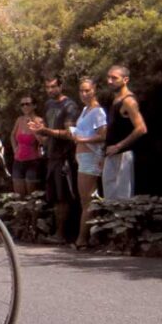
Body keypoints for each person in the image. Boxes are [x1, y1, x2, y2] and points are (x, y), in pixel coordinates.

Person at [28, 76, 79, 244]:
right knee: (54, 196)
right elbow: (47, 130)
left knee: (63, 195)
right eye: (47, 87)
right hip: (50, 155)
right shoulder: (49, 104)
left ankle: (62, 234)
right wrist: (39, 131)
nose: (50, 90)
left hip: (63, 156)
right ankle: (56, 232)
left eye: (53, 87)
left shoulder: (69, 106)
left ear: (61, 86)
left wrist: (46, 131)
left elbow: (70, 133)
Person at [71, 77, 106, 248]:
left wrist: (82, 139)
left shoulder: (98, 112)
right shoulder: (86, 109)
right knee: (86, 200)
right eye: (81, 91)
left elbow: (102, 135)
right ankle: (93, 236)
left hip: (90, 158)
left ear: (95, 90)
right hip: (82, 158)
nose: (84, 94)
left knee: (87, 201)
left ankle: (82, 239)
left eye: (87, 90)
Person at [103, 65, 147, 200]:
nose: (110, 81)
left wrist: (118, 146)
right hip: (111, 155)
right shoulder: (115, 100)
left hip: (124, 156)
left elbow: (141, 128)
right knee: (110, 200)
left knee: (124, 200)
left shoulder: (128, 101)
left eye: (114, 78)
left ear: (125, 79)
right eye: (108, 77)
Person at [10, 94, 44, 196]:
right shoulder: (19, 120)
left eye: (28, 104)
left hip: (33, 161)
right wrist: (15, 148)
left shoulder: (39, 121)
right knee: (18, 197)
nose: (25, 107)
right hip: (18, 161)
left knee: (32, 197)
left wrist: (33, 129)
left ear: (34, 106)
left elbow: (43, 141)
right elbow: (12, 135)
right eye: (22, 104)